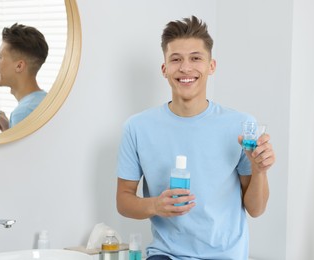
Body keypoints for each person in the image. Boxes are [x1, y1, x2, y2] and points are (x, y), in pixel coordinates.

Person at [116, 16, 275, 260]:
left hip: (226, 256)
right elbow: (123, 200)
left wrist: (259, 170)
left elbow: (256, 209)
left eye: (196, 58)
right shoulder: (137, 127)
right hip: (166, 254)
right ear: (164, 69)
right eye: (176, 59)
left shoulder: (241, 126)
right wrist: (155, 206)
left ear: (211, 66)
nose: (186, 68)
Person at [0, 23, 49, 131]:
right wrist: (9, 130)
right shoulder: (45, 100)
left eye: (0, 57)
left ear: (19, 66)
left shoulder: (23, 113)